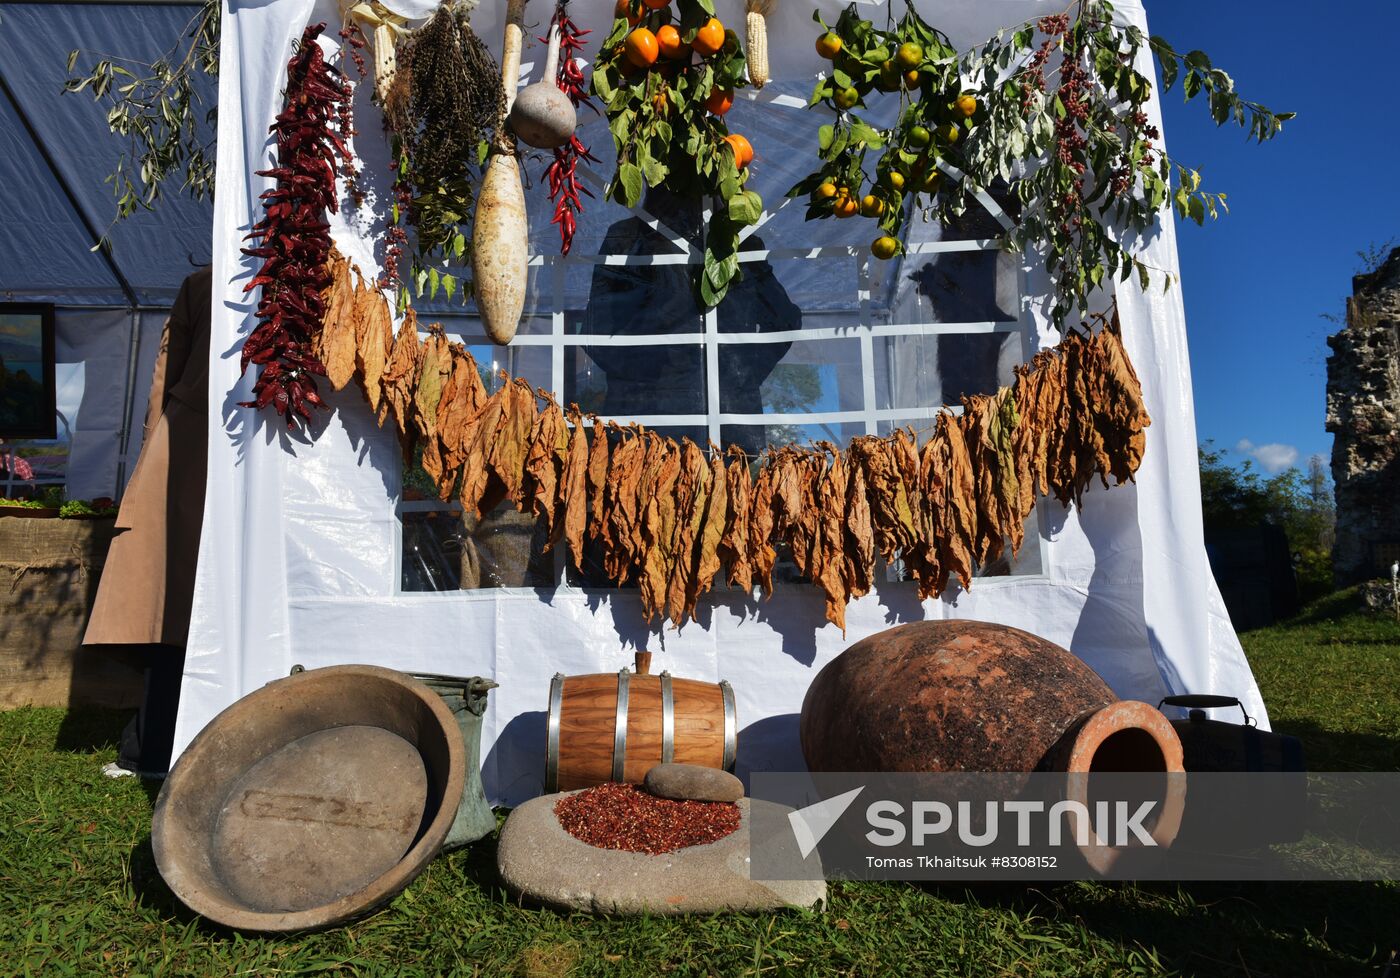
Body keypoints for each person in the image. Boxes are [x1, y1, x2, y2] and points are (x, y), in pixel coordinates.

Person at [84, 266, 211, 777]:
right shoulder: (327, 277)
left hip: (189, 446)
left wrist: (149, 459)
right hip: (242, 445)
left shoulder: (203, 284)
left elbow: (166, 373)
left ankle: (153, 746)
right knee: (174, 599)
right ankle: (154, 745)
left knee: (171, 600)